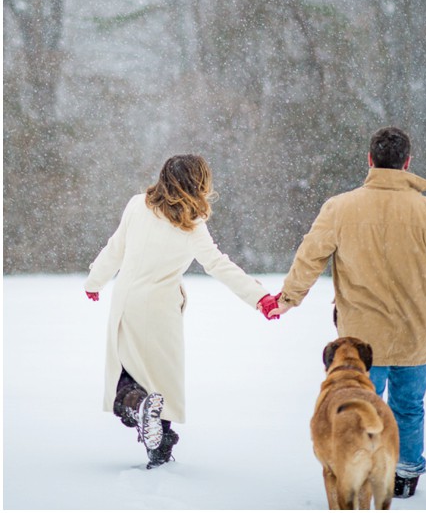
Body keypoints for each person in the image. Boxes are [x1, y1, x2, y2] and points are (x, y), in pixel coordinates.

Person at [271, 127, 426, 499]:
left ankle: (358, 464)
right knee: (409, 407)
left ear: (369, 161)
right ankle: (406, 472)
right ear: (407, 163)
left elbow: (310, 255)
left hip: (361, 339)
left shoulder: (340, 208)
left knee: (358, 407)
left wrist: (289, 298)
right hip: (417, 333)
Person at [85, 154, 280, 468]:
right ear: (199, 184)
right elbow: (219, 265)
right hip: (160, 312)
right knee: (160, 383)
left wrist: (95, 281)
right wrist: (259, 298)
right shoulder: (191, 225)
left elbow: (114, 248)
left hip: (127, 304)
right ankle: (159, 449)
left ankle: (137, 408)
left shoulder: (137, 205)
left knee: (127, 375)